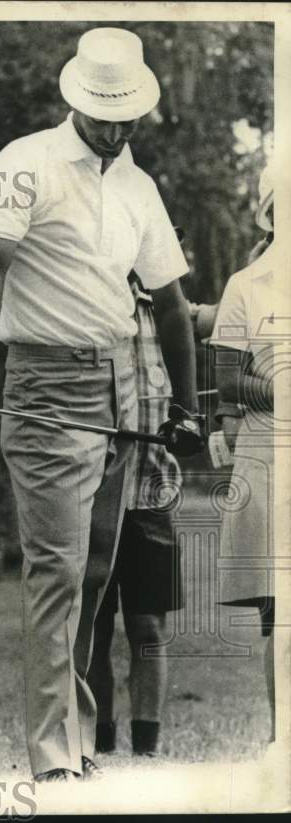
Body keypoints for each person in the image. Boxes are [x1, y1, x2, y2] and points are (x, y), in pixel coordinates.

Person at [0, 27, 203, 782]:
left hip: (120, 383)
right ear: (75, 101)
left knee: (93, 573)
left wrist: (185, 409)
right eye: (102, 116)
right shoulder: (24, 163)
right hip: (45, 383)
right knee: (56, 571)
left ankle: (81, 739)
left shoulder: (138, 186)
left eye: (126, 119)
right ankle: (53, 756)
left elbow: (173, 305)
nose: (115, 131)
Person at [86, 273, 186, 758]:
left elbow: (211, 321)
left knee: (147, 626)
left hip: (151, 489)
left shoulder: (164, 309)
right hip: (92, 493)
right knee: (95, 627)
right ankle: (98, 743)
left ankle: (146, 750)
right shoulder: (81, 293)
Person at [210, 161, 278, 746]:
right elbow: (228, 383)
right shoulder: (246, 286)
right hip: (267, 454)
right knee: (278, 619)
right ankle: (283, 741)